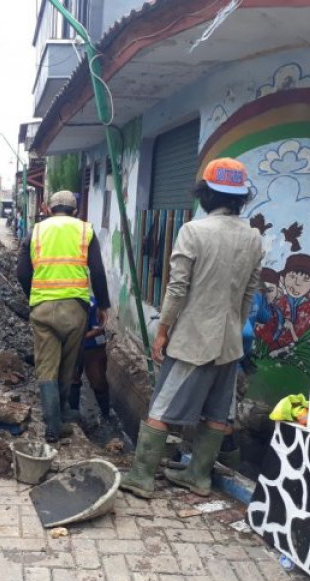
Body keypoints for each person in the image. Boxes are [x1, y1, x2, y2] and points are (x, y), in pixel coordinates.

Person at [120, 157, 262, 498]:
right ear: (240, 198)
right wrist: (234, 330)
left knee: (162, 406)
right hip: (229, 342)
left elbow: (177, 288)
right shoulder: (254, 237)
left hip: (194, 339)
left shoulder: (193, 231)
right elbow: (248, 294)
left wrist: (164, 330)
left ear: (206, 195)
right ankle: (198, 477)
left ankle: (141, 477)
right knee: (217, 412)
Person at [17, 190, 110, 443]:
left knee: (46, 367)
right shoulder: (85, 231)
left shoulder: (35, 231)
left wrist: (34, 297)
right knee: (68, 366)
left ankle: (52, 424)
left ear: (48, 209)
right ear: (75, 210)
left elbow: (22, 272)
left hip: (42, 307)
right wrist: (102, 305)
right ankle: (63, 415)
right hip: (75, 310)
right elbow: (98, 273)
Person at [68, 295, 111, 421]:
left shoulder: (91, 304)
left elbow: (98, 327)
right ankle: (74, 417)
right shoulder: (60, 303)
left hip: (92, 345)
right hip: (72, 344)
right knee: (72, 379)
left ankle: (106, 415)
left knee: (98, 380)